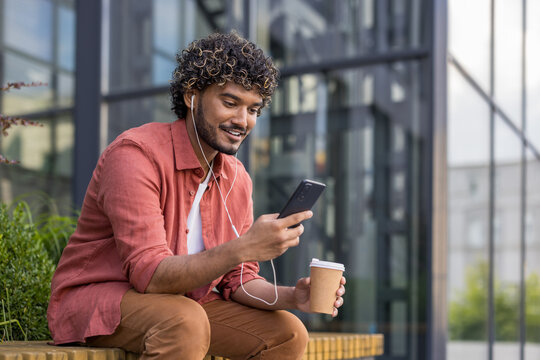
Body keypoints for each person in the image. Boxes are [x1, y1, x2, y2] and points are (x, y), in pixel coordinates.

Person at [47, 32, 346, 360]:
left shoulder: (237, 178)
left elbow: (239, 280)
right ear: (192, 96)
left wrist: (294, 296)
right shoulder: (135, 155)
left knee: (287, 334)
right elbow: (150, 274)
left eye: (253, 109)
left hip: (184, 304)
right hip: (100, 299)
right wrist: (245, 246)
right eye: (230, 103)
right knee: (184, 321)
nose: (242, 121)